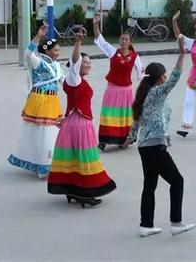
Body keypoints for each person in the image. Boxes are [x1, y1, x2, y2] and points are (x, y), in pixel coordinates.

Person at [124, 35, 196, 238]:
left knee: (150, 185)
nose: (166, 78)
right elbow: (174, 79)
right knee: (177, 181)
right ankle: (176, 223)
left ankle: (146, 225)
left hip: (145, 146)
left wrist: (131, 137)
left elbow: (137, 121)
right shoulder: (156, 93)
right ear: (159, 78)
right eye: (163, 75)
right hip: (155, 146)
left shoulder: (144, 94)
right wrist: (181, 54)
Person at [48, 32, 116, 207]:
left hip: (73, 122)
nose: (88, 65)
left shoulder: (73, 80)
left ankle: (73, 191)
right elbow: (74, 60)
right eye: (85, 62)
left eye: (89, 62)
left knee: (75, 158)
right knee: (85, 158)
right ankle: (85, 193)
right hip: (79, 124)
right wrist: (78, 42)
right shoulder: (74, 78)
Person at [8, 23, 63, 179]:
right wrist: (38, 36)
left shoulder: (56, 66)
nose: (58, 53)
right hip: (40, 101)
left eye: (58, 50)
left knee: (52, 133)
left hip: (53, 101)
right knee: (42, 133)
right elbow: (28, 54)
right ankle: (42, 165)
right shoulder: (39, 62)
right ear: (47, 50)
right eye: (55, 50)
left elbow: (64, 81)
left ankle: (50, 162)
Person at [93, 14, 144, 150]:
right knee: (108, 114)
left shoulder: (135, 56)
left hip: (126, 92)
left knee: (124, 116)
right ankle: (104, 140)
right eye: (122, 39)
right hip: (112, 90)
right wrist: (95, 24)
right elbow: (101, 41)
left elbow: (142, 73)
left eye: (126, 39)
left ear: (130, 42)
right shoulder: (113, 52)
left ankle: (123, 140)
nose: (123, 42)